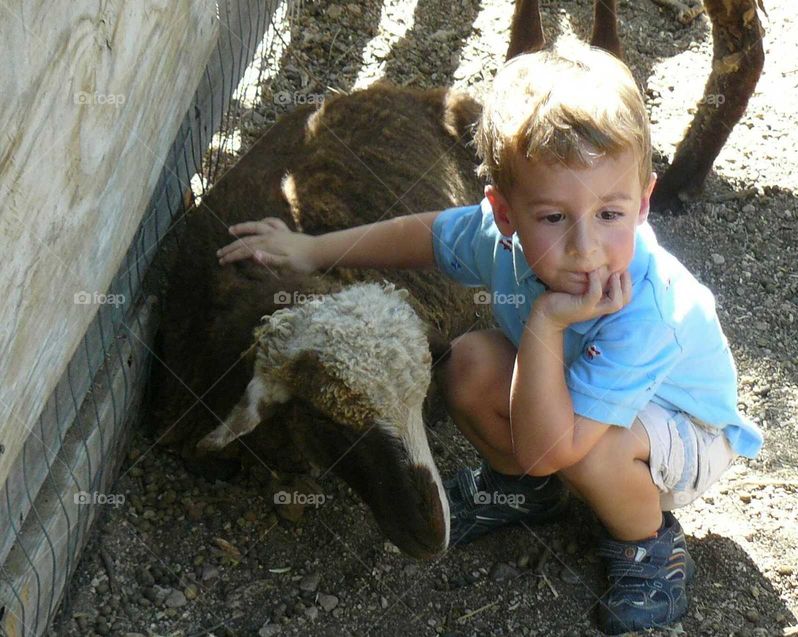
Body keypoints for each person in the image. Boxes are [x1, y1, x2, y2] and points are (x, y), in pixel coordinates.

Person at [216, 41, 762, 633]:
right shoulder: (497, 240)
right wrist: (313, 250)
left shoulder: (645, 310)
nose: (584, 247)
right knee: (469, 363)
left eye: (610, 213)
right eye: (553, 218)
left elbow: (552, 448)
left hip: (686, 428)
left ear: (643, 202)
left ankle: (649, 547)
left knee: (592, 453)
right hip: (581, 394)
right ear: (504, 214)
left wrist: (546, 321)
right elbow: (425, 237)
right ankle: (526, 493)